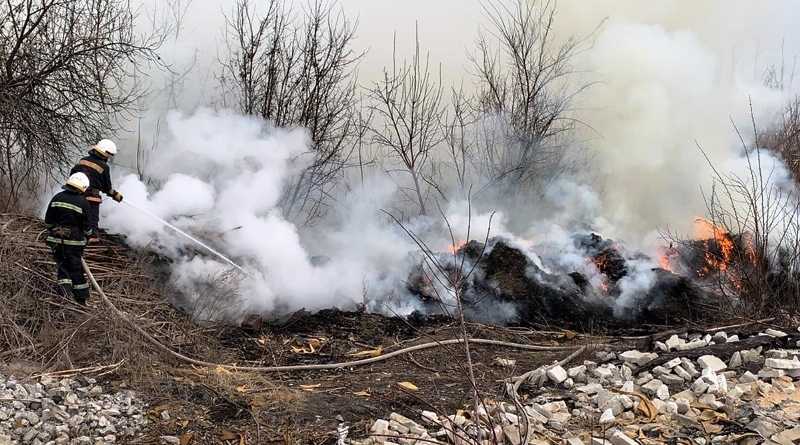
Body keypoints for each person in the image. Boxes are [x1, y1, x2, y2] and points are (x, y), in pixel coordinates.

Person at [44, 172, 92, 304]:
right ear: (82, 187)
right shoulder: (83, 203)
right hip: (74, 243)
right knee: (76, 269)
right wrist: (88, 236)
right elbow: (87, 228)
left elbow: (48, 221)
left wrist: (55, 230)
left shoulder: (56, 197)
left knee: (63, 267)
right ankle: (81, 300)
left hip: (55, 241)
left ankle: (64, 295)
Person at [70, 139, 123, 240]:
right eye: (109, 155)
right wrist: (115, 195)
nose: (109, 158)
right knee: (92, 219)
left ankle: (76, 233)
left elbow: (73, 175)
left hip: (77, 195)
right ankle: (92, 237)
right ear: (104, 152)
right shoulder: (104, 167)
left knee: (77, 216)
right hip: (91, 198)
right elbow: (107, 188)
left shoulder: (82, 160)